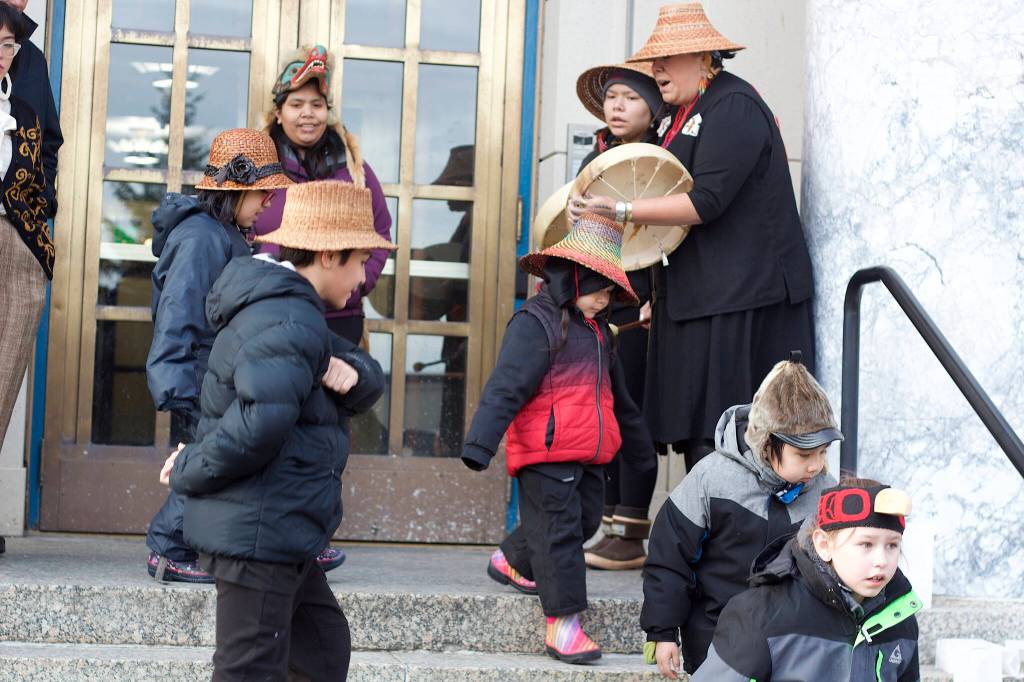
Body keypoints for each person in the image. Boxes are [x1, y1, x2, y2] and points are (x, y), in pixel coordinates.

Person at [569, 2, 817, 473]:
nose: (656, 68)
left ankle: (737, 546)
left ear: (704, 57)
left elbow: (706, 202)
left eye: (668, 58)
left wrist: (619, 209)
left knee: (733, 436)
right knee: (696, 435)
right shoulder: (678, 117)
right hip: (693, 299)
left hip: (742, 300)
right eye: (654, 60)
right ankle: (707, 544)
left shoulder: (734, 104)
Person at [162, 179, 394, 681]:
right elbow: (256, 427)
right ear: (330, 256)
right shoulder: (286, 317)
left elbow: (362, 372)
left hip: (281, 528)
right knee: (249, 671)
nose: (365, 275)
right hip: (258, 535)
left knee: (321, 649)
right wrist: (187, 466)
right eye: (361, 260)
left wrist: (354, 375)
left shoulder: (296, 313)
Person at [461, 213, 655, 664]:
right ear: (573, 278)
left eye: (610, 291)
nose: (604, 299)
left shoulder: (599, 334)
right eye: (598, 288)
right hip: (545, 453)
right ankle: (564, 625)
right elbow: (506, 385)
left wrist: (640, 450)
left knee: (583, 522)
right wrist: (480, 444)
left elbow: (620, 398)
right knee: (562, 534)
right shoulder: (536, 323)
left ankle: (511, 558)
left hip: (587, 453)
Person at [145, 128, 293, 582]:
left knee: (219, 460)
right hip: (198, 376)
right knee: (205, 461)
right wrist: (177, 387)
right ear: (238, 188)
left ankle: (284, 540)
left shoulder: (222, 234)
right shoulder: (201, 237)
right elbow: (179, 311)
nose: (269, 201)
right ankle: (168, 549)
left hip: (215, 372)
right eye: (264, 191)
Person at [641, 354, 840, 676]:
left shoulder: (826, 491)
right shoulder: (712, 479)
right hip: (716, 638)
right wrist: (662, 632)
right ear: (766, 443)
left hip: (793, 644)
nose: (816, 465)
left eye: (822, 452)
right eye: (803, 454)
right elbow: (669, 557)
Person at [691, 479, 921, 681]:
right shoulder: (764, 613)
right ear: (823, 545)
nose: (881, 560)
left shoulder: (899, 618)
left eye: (892, 545)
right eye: (866, 544)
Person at [574, 62, 664, 571]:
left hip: (642, 306)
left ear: (652, 108)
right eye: (612, 97)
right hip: (603, 300)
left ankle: (631, 529)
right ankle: (608, 525)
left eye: (631, 97)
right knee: (603, 412)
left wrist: (659, 299)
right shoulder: (597, 156)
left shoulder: (661, 159)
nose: (617, 105)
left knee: (633, 419)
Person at [253, 44, 392, 347]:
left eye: (316, 105)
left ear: (327, 112)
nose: (307, 114)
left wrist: (357, 283)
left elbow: (379, 232)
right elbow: (237, 233)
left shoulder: (354, 170)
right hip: (272, 312)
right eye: (296, 104)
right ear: (278, 113)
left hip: (339, 320)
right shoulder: (257, 170)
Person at [0, 2, 57, 556]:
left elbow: (50, 140)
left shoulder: (32, 59)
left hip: (20, 231)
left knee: (5, 372)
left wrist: (41, 202)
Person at [3, 0, 61, 203]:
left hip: (17, 226)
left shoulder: (34, 60)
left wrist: (41, 205)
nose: (19, 2)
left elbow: (47, 144)